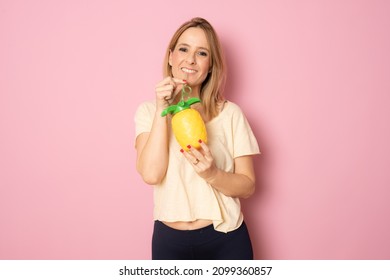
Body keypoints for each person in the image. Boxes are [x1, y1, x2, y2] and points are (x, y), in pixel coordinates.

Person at [134, 17, 260, 260]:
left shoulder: (230, 113)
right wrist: (163, 108)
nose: (190, 59)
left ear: (210, 65)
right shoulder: (148, 112)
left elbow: (248, 185)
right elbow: (151, 174)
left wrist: (212, 174)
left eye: (202, 53)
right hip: (169, 241)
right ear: (171, 57)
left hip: (226, 237)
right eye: (183, 49)